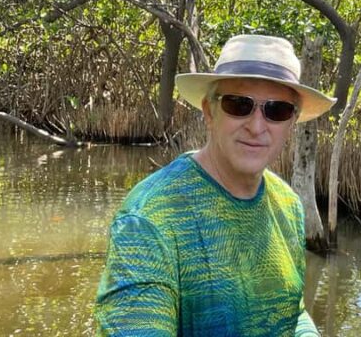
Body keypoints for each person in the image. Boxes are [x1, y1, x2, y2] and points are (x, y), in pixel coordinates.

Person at [94, 34, 335, 336]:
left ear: (292, 121)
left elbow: (290, 310)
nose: (257, 126)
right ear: (210, 111)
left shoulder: (287, 205)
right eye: (239, 105)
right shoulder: (150, 218)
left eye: (277, 110)